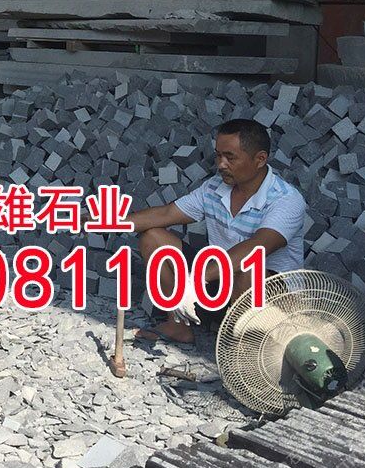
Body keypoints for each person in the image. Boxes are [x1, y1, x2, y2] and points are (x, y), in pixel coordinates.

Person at [127, 118, 306, 344]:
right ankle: (178, 324)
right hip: (219, 283)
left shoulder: (286, 199)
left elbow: (257, 247)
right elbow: (166, 214)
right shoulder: (214, 187)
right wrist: (105, 221)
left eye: (230, 157)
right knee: (153, 238)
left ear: (260, 159)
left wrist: (193, 282)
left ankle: (250, 347)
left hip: (270, 300)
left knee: (248, 268)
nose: (221, 164)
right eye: (218, 155)